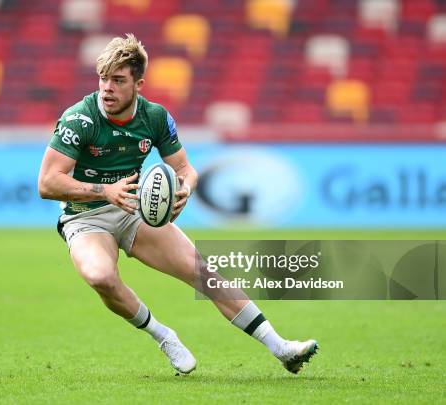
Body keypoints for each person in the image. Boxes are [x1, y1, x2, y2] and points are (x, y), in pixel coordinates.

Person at [38, 34, 318, 375]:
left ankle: (282, 348)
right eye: (103, 78)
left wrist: (185, 187)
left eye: (118, 80)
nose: (107, 88)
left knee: (205, 273)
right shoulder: (79, 119)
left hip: (133, 212)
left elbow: (185, 168)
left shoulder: (154, 117)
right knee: (100, 277)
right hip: (85, 217)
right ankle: (163, 335)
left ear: (139, 84)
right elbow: (47, 183)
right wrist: (104, 190)